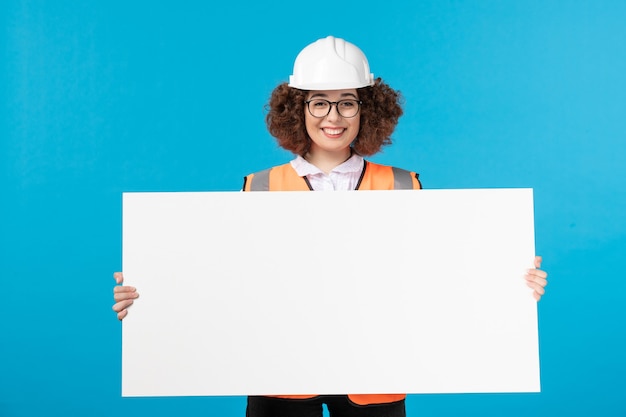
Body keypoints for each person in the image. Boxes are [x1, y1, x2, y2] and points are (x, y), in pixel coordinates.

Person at [113, 36, 549, 417]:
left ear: (367, 109)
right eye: (318, 102)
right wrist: (152, 295)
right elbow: (229, 281)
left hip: (376, 372)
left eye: (347, 101)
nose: (332, 116)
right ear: (297, 108)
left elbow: (435, 274)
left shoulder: (402, 184)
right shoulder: (259, 186)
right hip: (279, 373)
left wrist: (508, 284)